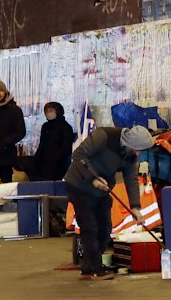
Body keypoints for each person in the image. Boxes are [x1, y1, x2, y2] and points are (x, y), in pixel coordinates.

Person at [65, 124, 154, 280]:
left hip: (101, 190)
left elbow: (131, 179)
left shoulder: (129, 154)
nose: (138, 153)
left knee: (105, 228)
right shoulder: (104, 135)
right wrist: (93, 178)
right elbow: (79, 155)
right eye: (137, 149)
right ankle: (96, 269)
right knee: (90, 228)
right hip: (79, 185)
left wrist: (135, 207)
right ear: (129, 143)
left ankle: (88, 266)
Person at [30, 102, 76, 182]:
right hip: (45, 163)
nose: (48, 113)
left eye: (51, 110)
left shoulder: (65, 127)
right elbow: (42, 145)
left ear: (58, 111)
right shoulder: (45, 126)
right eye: (46, 111)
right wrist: (36, 160)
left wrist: (54, 159)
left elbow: (66, 147)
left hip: (60, 164)